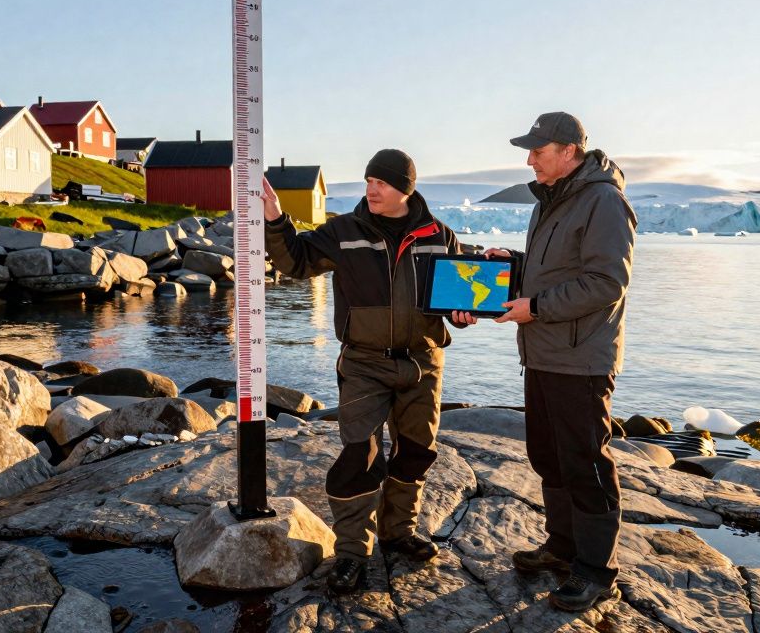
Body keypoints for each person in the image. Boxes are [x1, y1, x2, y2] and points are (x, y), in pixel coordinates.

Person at [261, 149, 469, 595]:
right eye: (368, 180)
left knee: (415, 452)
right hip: (363, 362)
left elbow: (457, 296)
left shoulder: (441, 236)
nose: (371, 189)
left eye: (382, 183)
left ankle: (399, 533)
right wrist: (276, 219)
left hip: (423, 363)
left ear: (406, 189)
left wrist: (463, 311)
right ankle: (352, 551)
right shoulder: (344, 231)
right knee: (359, 457)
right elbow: (294, 261)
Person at [486, 112, 637, 611]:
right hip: (545, 354)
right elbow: (554, 269)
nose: (529, 159)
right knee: (548, 457)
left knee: (586, 463)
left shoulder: (603, 201)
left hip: (580, 359)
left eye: (538, 150)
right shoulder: (553, 203)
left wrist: (538, 308)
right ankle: (563, 548)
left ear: (569, 151)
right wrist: (510, 263)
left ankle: (597, 571)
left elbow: (606, 282)